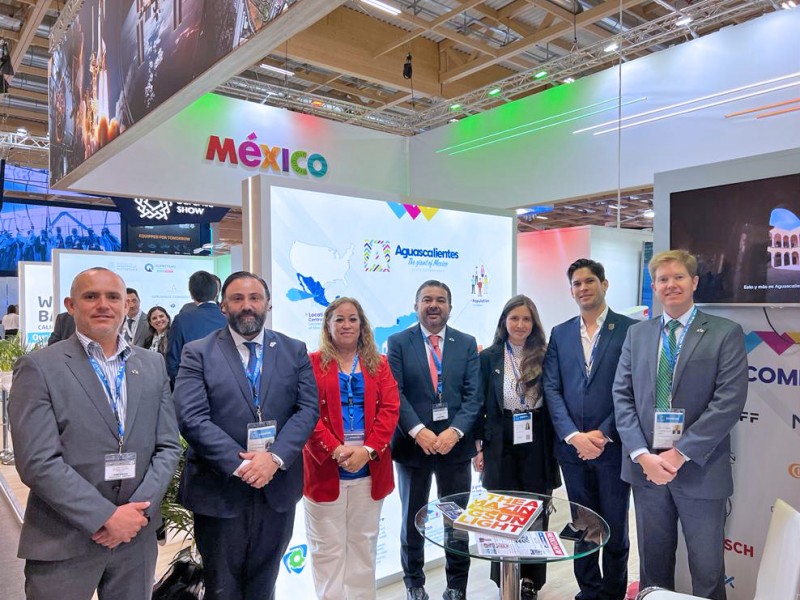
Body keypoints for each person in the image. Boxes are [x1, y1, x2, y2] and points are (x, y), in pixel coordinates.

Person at [8, 267, 181, 600]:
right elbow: (37, 461)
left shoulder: (151, 364)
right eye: (91, 296)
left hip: (135, 538)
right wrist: (105, 517)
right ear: (71, 306)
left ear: (126, 305)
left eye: (113, 297)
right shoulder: (39, 367)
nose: (104, 304)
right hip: (64, 538)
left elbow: (168, 446)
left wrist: (135, 514)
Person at [173, 271, 319, 600]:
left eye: (255, 298)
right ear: (223, 306)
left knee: (264, 583)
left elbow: (307, 409)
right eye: (237, 299)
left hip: (277, 488)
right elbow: (191, 418)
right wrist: (245, 466)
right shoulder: (198, 352)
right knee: (222, 586)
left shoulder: (293, 350)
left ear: (268, 303)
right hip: (220, 489)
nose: (247, 305)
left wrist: (274, 458)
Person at [613, 250, 749, 599]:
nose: (670, 285)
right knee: (653, 570)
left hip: (700, 471)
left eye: (678, 277)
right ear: (654, 286)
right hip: (647, 471)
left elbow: (728, 402)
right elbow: (622, 397)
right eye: (662, 279)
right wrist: (642, 454)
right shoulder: (637, 334)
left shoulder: (725, 333)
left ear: (694, 282)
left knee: (707, 572)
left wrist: (679, 454)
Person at [543, 259, 635, 600]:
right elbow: (552, 388)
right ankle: (589, 591)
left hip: (613, 446)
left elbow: (633, 388)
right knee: (584, 527)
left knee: (614, 527)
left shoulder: (630, 330)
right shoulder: (560, 332)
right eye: (577, 283)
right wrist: (573, 436)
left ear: (604, 284)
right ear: (571, 291)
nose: (583, 288)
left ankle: (613, 593)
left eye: (589, 281)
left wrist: (603, 433)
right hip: (572, 450)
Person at [387, 280, 482, 600]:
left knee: (456, 522)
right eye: (427, 299)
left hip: (455, 447)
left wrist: (454, 432)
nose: (433, 305)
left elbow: (473, 396)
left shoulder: (466, 343)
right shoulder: (398, 342)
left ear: (450, 307)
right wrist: (419, 431)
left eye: (441, 300)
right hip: (413, 446)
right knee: (412, 520)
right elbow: (394, 393)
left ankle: (456, 586)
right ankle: (414, 583)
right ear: (416, 306)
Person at [303, 297, 400, 600]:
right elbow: (306, 413)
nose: (346, 325)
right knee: (326, 552)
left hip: (369, 470)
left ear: (362, 325)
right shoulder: (311, 363)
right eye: (340, 319)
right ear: (328, 325)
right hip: (325, 469)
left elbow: (390, 410)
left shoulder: (379, 364)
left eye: (353, 319)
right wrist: (336, 450)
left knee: (363, 547)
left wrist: (367, 451)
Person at [473, 295, 560, 600]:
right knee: (503, 512)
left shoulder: (546, 355)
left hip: (537, 439)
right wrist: (478, 448)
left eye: (526, 319)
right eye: (514, 318)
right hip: (500, 439)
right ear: (504, 322)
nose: (520, 324)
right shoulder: (489, 357)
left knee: (535, 510)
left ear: (534, 323)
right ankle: (505, 576)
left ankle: (531, 580)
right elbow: (480, 404)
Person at [167, 270, 226, 383]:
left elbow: (173, 361)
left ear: (191, 294)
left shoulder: (181, 320)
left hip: (190, 386)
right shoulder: (229, 319)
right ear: (216, 292)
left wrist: (183, 386)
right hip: (225, 386)